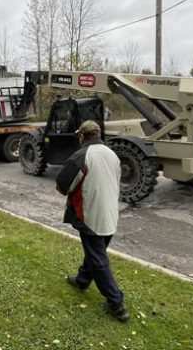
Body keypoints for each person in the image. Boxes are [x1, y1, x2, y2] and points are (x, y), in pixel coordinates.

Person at [55, 120, 129, 322]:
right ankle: (82, 280)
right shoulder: (111, 154)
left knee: (98, 260)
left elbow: (63, 185)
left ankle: (117, 304)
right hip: (110, 213)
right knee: (96, 252)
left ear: (82, 136)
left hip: (90, 215)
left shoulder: (81, 156)